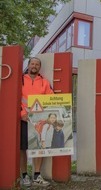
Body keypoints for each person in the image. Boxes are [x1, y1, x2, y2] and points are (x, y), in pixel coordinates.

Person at [21, 57, 53, 187]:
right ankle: (24, 175)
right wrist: (21, 114)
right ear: (28, 66)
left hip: (39, 120)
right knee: (23, 149)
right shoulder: (20, 80)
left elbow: (51, 99)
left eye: (37, 64)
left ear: (39, 67)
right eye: (32, 63)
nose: (34, 66)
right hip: (24, 119)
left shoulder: (45, 82)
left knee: (39, 147)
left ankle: (36, 175)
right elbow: (15, 98)